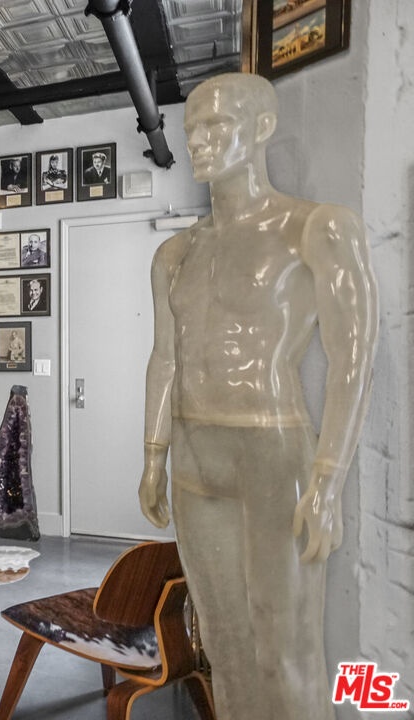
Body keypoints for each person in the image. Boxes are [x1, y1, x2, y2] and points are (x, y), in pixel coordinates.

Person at [137, 73, 378, 720]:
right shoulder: (175, 254)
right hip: (193, 456)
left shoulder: (315, 228)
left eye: (215, 125)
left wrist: (328, 478)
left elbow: (354, 357)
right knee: (222, 643)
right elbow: (165, 357)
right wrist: (153, 455)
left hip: (272, 452)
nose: (197, 141)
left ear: (262, 127)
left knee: (286, 646)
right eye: (190, 128)